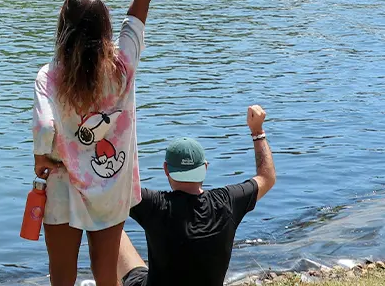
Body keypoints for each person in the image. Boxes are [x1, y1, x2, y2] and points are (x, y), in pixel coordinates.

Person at [33, 0, 158, 286]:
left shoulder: (49, 77)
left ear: (64, 28)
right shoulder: (123, 67)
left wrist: (44, 161)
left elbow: (43, 133)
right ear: (105, 27)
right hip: (112, 189)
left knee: (62, 279)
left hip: (63, 189)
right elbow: (141, 3)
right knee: (107, 276)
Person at [118, 105, 278, 286]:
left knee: (111, 226)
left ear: (166, 170)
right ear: (206, 167)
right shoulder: (228, 202)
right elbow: (267, 177)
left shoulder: (154, 205)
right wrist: (257, 131)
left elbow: (113, 185)